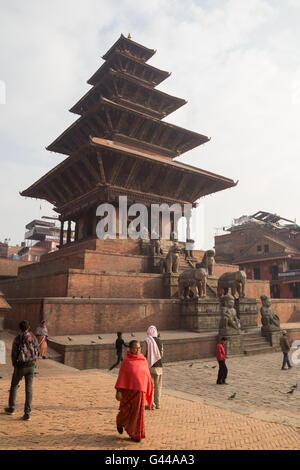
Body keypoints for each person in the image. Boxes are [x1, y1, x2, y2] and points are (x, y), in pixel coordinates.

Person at [115, 340, 153, 442]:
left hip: (140, 392)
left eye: (139, 348)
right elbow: (121, 376)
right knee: (125, 411)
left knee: (137, 414)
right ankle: (119, 422)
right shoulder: (126, 362)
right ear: (130, 349)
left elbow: (147, 375)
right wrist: (118, 390)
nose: (137, 350)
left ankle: (135, 434)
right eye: (135, 348)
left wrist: (149, 387)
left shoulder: (143, 360)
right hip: (128, 392)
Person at [4, 320, 39, 420]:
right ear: (29, 327)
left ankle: (12, 408)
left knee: (14, 385)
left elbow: (14, 353)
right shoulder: (33, 337)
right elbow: (38, 350)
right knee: (29, 388)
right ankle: (27, 413)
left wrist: (15, 364)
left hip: (20, 366)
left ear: (19, 328)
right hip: (31, 365)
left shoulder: (18, 338)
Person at [144, 325, 163, 410]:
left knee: (149, 387)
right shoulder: (160, 341)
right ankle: (157, 404)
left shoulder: (147, 340)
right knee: (158, 386)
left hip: (149, 366)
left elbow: (144, 353)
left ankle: (151, 404)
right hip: (159, 366)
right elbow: (161, 354)